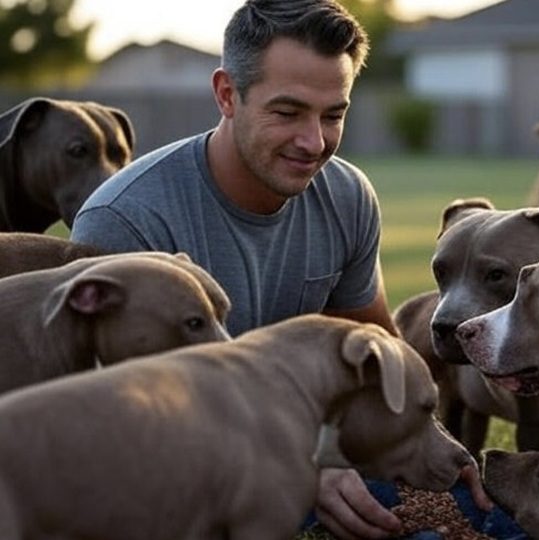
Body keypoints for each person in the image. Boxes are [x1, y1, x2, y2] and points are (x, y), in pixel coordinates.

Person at [70, 1, 494, 538]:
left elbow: (372, 355)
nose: (314, 142)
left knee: (479, 519)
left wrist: (422, 439)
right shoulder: (125, 222)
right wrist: (301, 463)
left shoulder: (346, 196)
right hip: (167, 479)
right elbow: (128, 423)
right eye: (287, 112)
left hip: (304, 453)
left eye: (333, 115)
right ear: (227, 94)